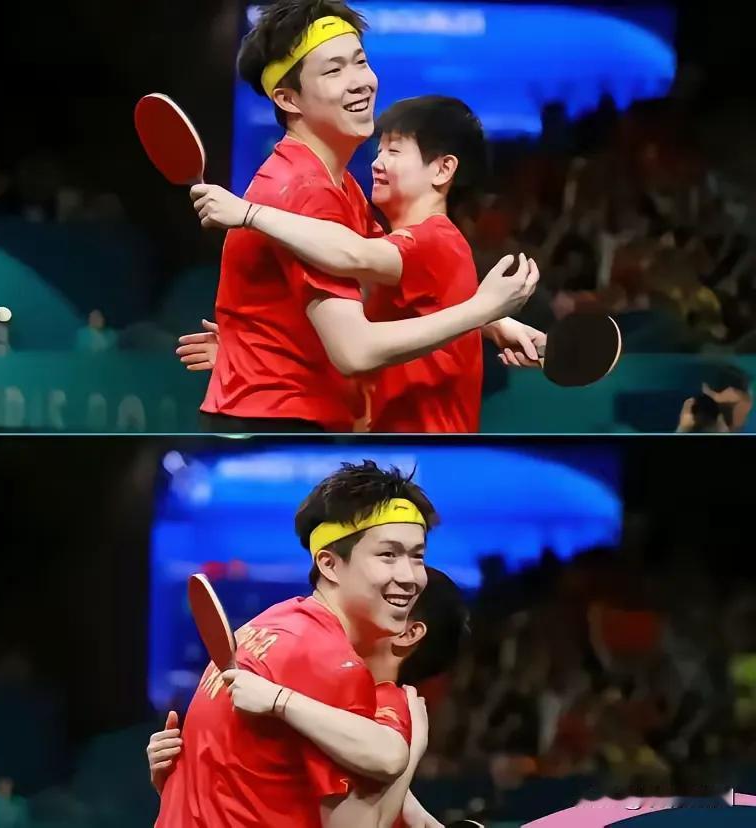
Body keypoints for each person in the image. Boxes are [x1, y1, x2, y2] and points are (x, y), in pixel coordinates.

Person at [185, 0, 539, 433]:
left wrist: (494, 320)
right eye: (334, 71)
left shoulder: (342, 186)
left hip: (285, 412)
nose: (360, 83)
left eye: (360, 62)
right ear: (288, 99)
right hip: (278, 420)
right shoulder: (305, 191)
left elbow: (373, 264)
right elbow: (355, 350)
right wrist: (481, 309)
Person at [154, 460, 440, 828]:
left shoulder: (269, 625)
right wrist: (413, 744)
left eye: (417, 556)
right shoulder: (329, 661)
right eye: (388, 555)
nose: (410, 576)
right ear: (329, 565)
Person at [148, 566, 469, 828]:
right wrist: (180, 777)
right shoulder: (320, 678)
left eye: (394, 597)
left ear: (409, 633)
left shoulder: (387, 707)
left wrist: (409, 754)